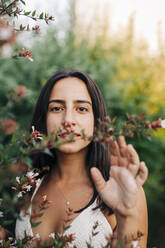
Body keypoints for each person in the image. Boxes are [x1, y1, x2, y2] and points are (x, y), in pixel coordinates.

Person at [15, 70, 148, 247]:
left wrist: (127, 214)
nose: (68, 120)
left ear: (96, 122)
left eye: (81, 109)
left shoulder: (124, 192)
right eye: (57, 108)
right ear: (44, 119)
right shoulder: (26, 185)